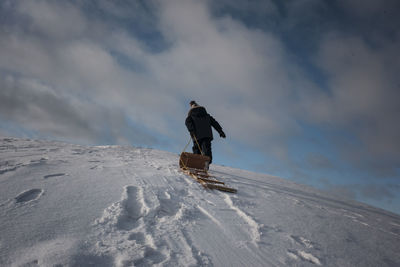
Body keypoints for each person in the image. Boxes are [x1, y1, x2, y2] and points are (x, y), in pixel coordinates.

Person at [185, 100, 226, 167]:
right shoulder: (206, 115)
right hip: (207, 135)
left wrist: (192, 131)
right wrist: (220, 131)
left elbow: (187, 122)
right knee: (206, 148)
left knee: (197, 148)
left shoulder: (191, 115)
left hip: (196, 135)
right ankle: (206, 162)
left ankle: (196, 163)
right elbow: (214, 123)